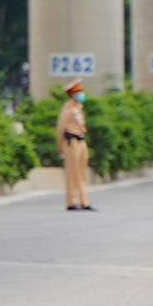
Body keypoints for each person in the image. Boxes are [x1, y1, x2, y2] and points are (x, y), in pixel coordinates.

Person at [56, 79, 94, 211]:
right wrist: (60, 144)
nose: (81, 95)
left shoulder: (78, 108)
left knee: (82, 172)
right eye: (78, 92)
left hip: (81, 141)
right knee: (73, 172)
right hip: (71, 142)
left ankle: (85, 201)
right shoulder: (67, 109)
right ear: (72, 95)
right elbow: (61, 128)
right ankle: (71, 202)